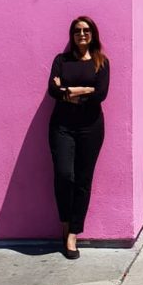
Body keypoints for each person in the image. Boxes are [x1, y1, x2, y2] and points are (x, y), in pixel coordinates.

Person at [47, 16, 110, 259]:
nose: (81, 34)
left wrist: (69, 91)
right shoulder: (61, 60)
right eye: (76, 31)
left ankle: (73, 233)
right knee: (64, 175)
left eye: (85, 30)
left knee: (83, 180)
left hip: (91, 128)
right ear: (71, 35)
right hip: (62, 126)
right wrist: (82, 90)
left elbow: (101, 94)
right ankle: (65, 220)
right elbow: (52, 90)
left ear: (92, 33)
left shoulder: (101, 62)